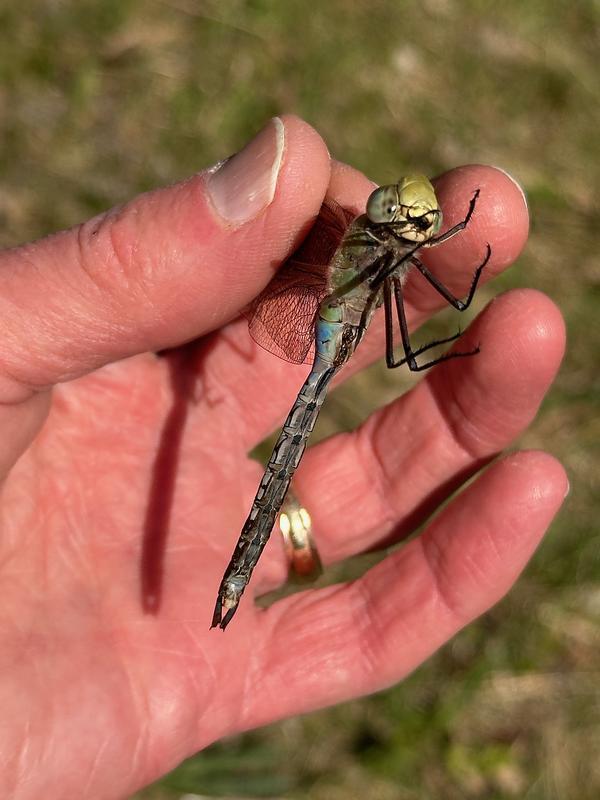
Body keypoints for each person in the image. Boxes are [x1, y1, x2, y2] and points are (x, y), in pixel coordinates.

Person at [0, 115, 567, 799]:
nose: (412, 221)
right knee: (401, 355)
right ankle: (238, 576)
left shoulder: (375, 241)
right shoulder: (384, 249)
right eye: (409, 217)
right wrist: (463, 261)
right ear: (393, 224)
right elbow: (418, 335)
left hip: (334, 311)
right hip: (332, 317)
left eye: (419, 220)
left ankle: (237, 576)